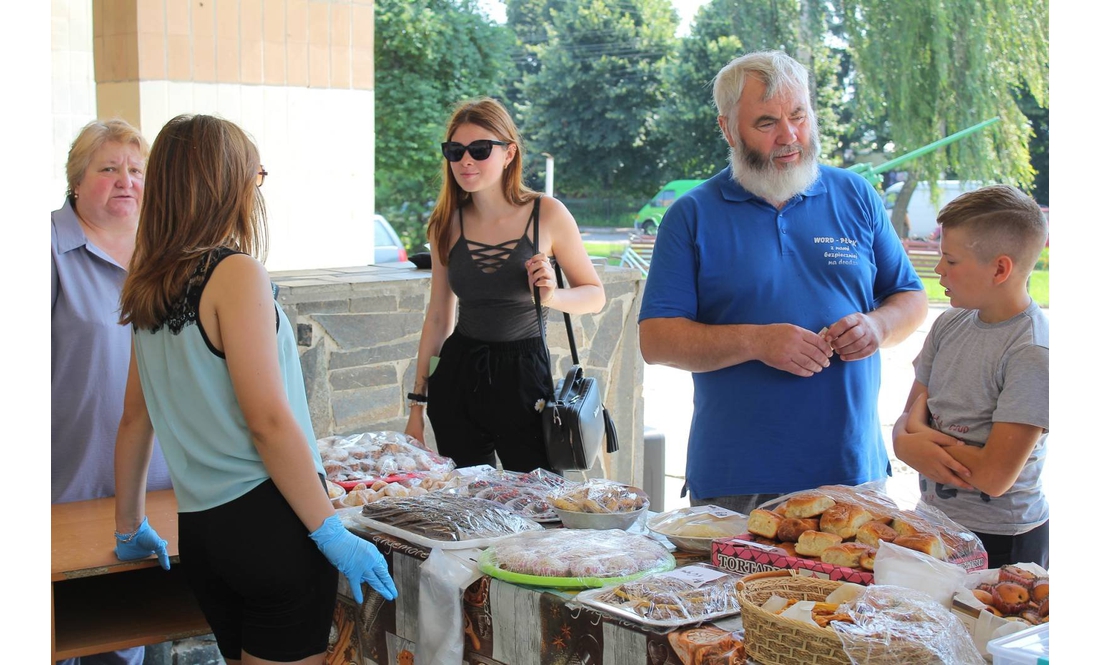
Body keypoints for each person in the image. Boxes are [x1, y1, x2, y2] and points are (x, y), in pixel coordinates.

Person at [111, 114, 397, 664]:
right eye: (254, 174)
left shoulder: (147, 283)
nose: (255, 188)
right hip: (269, 525)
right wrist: (330, 529)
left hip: (201, 532)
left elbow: (133, 420)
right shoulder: (235, 273)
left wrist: (130, 527)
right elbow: (267, 418)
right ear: (224, 182)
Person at [638, 50, 927, 515]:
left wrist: (878, 327)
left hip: (852, 471)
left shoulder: (855, 195)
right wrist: (757, 342)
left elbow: (910, 297)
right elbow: (656, 340)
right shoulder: (691, 215)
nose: (789, 136)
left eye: (799, 115)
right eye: (767, 122)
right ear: (728, 129)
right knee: (734, 593)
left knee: (855, 593)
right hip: (736, 481)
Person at [404, 97, 605, 472]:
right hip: (458, 375)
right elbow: (437, 317)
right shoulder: (446, 223)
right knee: (466, 506)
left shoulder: (547, 214)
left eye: (480, 150)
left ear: (509, 153)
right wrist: (417, 405)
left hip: (526, 379)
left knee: (538, 506)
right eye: (455, 150)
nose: (466, 161)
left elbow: (594, 295)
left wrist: (552, 295)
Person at [52, 118, 173, 665]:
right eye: (108, 169)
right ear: (77, 181)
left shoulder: (165, 256)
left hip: (158, 488)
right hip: (68, 486)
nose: (125, 180)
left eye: (136, 170)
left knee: (135, 632)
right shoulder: (46, 250)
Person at [892, 185, 1049, 569]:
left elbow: (994, 478)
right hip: (935, 524)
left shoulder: (1032, 351)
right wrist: (905, 441)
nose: (939, 270)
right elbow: (904, 425)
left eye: (951, 260)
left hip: (1003, 541)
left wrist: (918, 440)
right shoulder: (947, 324)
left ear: (1000, 268)